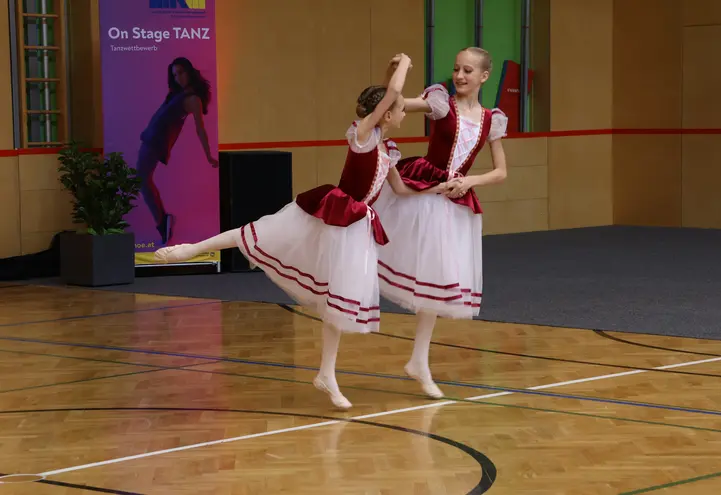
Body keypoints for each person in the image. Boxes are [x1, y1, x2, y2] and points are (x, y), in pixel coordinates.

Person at [154, 54, 451, 409]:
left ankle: (326, 374)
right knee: (258, 233)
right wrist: (404, 63)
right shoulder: (362, 136)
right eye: (401, 110)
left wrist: (440, 188)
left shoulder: (388, 149)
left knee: (336, 305)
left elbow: (400, 190)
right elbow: (391, 94)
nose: (405, 114)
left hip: (354, 228)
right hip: (331, 213)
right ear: (386, 114)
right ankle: (190, 249)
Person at [373, 47, 509, 399]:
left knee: (434, 281)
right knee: (373, 252)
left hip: (453, 203)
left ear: (484, 76)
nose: (459, 76)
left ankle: (419, 360)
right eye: (456, 69)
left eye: (468, 70)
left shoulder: (492, 120)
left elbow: (500, 172)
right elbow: (393, 103)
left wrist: (470, 181)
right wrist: (392, 74)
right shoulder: (440, 103)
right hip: (423, 193)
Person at [136, 57, 219, 246]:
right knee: (142, 180)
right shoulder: (177, 94)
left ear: (189, 72)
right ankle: (162, 221)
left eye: (181, 72)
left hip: (156, 142)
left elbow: (200, 129)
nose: (178, 78)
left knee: (142, 180)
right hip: (150, 138)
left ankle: (162, 222)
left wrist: (208, 155)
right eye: (175, 75)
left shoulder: (192, 99)